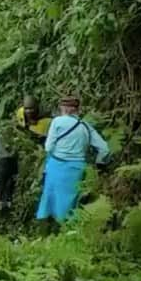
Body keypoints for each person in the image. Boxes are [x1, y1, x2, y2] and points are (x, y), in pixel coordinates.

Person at [36, 95, 110, 223]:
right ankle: (67, 230)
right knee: (69, 202)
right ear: (77, 109)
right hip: (76, 169)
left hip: (56, 166)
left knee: (50, 198)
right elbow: (104, 148)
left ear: (62, 108)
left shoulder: (57, 121)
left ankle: (46, 231)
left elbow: (48, 147)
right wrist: (100, 164)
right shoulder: (86, 126)